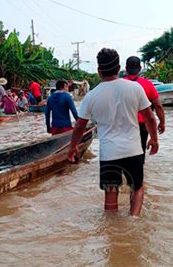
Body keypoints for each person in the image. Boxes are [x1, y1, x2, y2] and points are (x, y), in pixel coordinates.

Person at [68, 48, 159, 217]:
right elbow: (150, 118)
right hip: (133, 150)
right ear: (119, 68)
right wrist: (154, 139)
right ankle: (133, 221)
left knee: (111, 192)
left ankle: (111, 231)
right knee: (137, 188)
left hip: (109, 152)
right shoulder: (135, 88)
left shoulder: (92, 95)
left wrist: (73, 147)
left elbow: (79, 126)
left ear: (99, 71)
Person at [124, 56, 165, 163]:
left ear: (126, 68)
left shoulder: (119, 84)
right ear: (140, 68)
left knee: (124, 153)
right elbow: (158, 106)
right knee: (140, 152)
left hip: (124, 124)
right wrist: (162, 123)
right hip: (143, 124)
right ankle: (139, 175)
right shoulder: (148, 84)